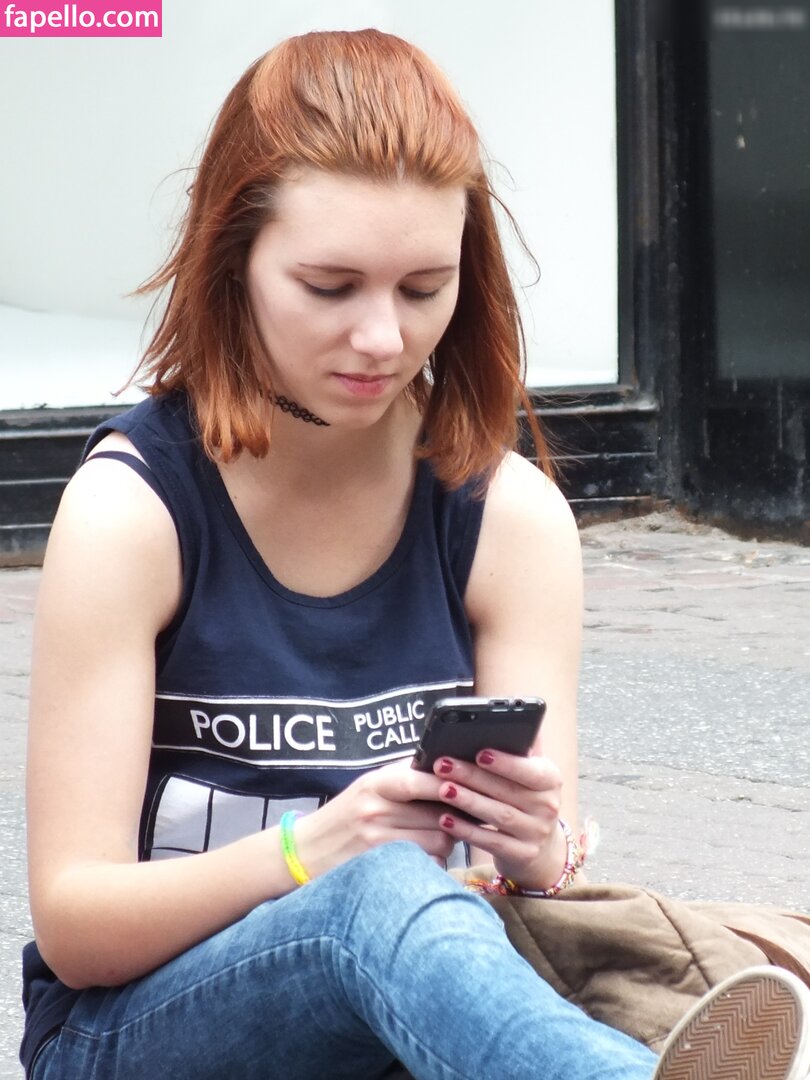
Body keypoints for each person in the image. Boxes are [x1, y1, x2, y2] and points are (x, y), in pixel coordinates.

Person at [20, 28, 810, 1080]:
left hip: (408, 1021)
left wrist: (538, 852)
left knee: (419, 912)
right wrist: (311, 854)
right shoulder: (133, 511)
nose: (384, 339)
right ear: (232, 263)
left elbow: (535, 890)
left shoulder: (508, 518)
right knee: (379, 897)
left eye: (424, 287)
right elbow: (76, 924)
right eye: (330, 286)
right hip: (138, 1033)